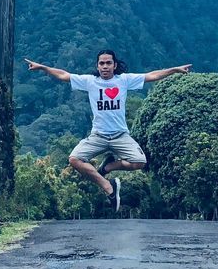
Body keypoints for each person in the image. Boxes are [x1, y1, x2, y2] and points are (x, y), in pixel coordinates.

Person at [24, 49, 191, 210]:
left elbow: (152, 76)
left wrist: (174, 70)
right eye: (101, 63)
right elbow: (64, 75)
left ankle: (109, 167)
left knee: (140, 162)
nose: (105, 66)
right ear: (97, 66)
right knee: (74, 159)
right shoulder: (90, 81)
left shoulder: (124, 80)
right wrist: (43, 68)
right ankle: (107, 186)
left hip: (120, 136)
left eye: (108, 63)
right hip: (98, 136)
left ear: (114, 65)